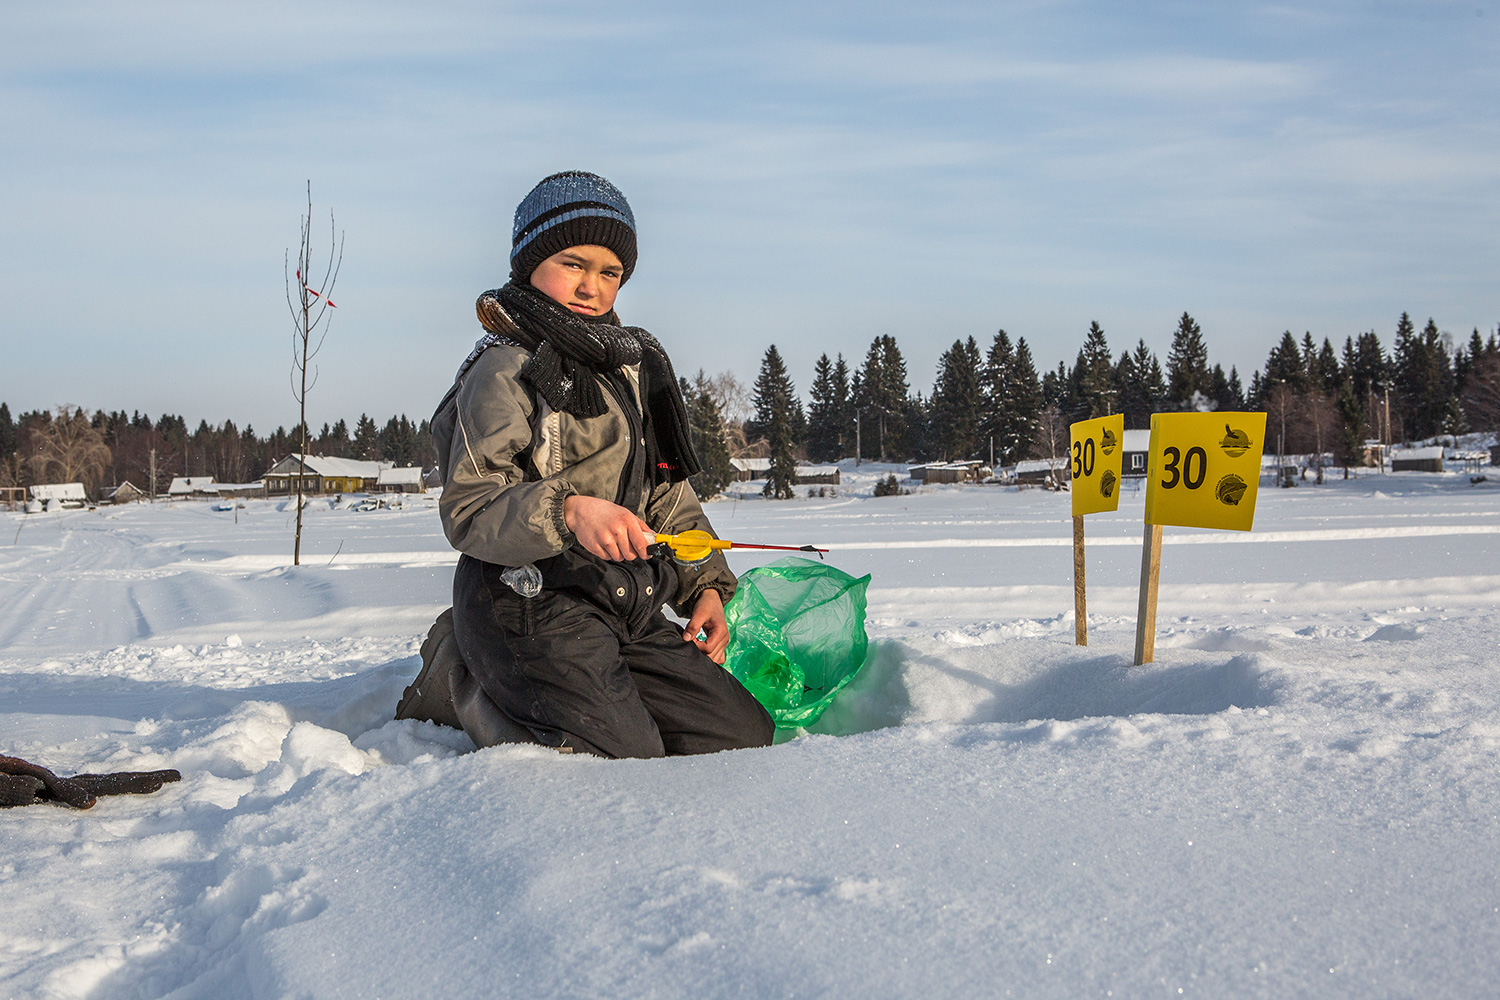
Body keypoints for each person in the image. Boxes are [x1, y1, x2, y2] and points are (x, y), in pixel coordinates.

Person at [424, 171, 773, 758]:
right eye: (573, 264)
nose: (591, 286)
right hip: (525, 600)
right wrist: (568, 512)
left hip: (622, 597)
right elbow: (470, 508)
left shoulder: (630, 368)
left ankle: (590, 686)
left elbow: (667, 495)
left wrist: (705, 588)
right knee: (616, 755)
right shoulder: (504, 369)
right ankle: (462, 678)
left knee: (740, 736)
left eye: (610, 272)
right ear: (528, 265)